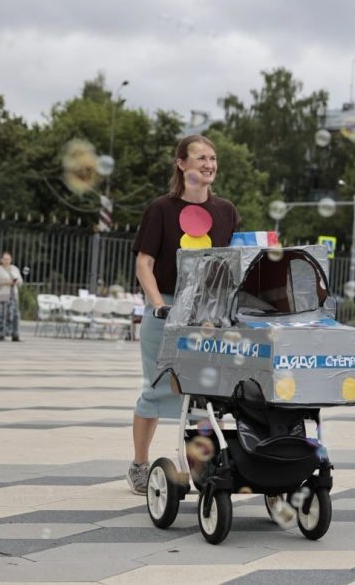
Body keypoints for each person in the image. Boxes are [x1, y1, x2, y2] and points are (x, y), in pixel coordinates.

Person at [127, 135, 241, 495]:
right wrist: (159, 302)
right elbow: (144, 262)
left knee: (207, 393)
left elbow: (234, 262)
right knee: (157, 389)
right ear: (181, 163)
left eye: (213, 157)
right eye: (200, 158)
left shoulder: (226, 211)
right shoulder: (161, 208)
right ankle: (140, 464)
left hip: (209, 313)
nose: (209, 164)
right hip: (168, 307)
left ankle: (203, 465)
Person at [0, 251, 24, 342]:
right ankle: (1, 334)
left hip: (13, 296)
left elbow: (20, 281)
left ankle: (15, 334)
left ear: (11, 259)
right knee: (0, 316)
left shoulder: (14, 269)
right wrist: (5, 282)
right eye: (4, 259)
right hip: (1, 296)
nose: (6, 261)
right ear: (1, 260)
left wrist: (16, 281)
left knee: (15, 315)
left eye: (8, 259)